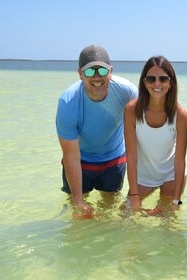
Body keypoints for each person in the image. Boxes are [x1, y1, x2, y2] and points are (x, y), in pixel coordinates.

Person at [56, 45, 138, 213]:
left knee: (109, 213)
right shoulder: (68, 102)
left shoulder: (127, 92)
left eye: (101, 70)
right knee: (75, 211)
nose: (96, 77)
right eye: (89, 72)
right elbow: (71, 156)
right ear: (80, 74)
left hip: (114, 160)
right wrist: (78, 201)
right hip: (80, 161)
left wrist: (135, 193)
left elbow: (143, 134)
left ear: (111, 71)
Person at [124, 56, 187, 210]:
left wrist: (176, 201)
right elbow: (131, 157)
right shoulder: (131, 110)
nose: (157, 84)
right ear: (144, 83)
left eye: (163, 79)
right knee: (126, 217)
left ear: (171, 83)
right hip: (143, 177)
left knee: (167, 224)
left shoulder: (180, 115)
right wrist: (134, 196)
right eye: (151, 79)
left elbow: (180, 161)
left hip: (171, 176)